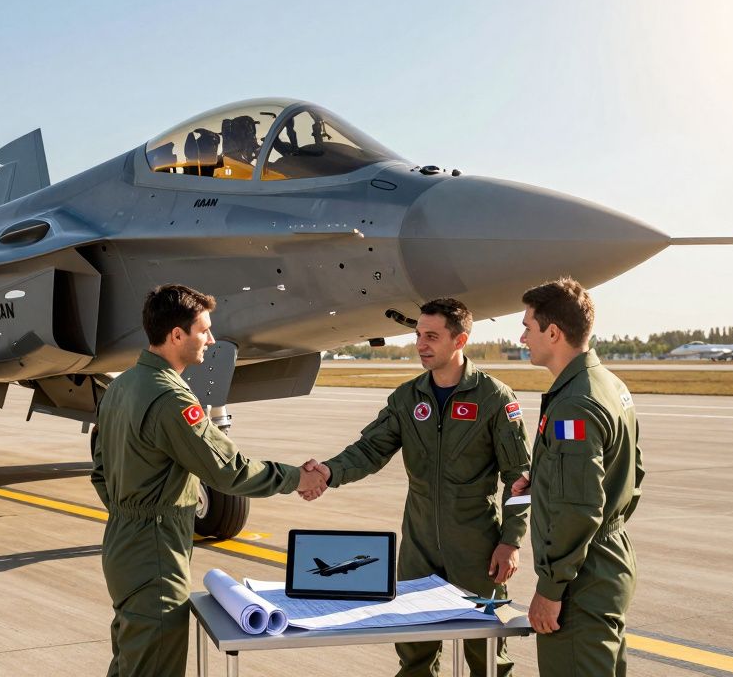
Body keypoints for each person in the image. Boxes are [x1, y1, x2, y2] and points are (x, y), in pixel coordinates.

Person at [91, 284, 327, 677]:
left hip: (123, 546)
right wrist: (298, 479)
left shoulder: (120, 386)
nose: (211, 340)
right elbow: (228, 470)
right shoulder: (170, 398)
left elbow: (100, 469)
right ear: (177, 335)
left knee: (131, 660)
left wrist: (129, 509)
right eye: (204, 330)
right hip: (155, 554)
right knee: (154, 665)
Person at [304, 298, 530, 676]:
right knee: (414, 654)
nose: (420, 345)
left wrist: (511, 541)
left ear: (460, 341)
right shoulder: (407, 398)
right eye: (418, 335)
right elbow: (370, 450)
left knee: (488, 657)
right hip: (418, 548)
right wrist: (328, 471)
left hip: (478, 551)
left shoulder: (495, 398)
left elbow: (520, 479)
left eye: (431, 336)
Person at [515, 277, 643, 676]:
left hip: (580, 579)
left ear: (553, 332)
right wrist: (544, 480)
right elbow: (630, 471)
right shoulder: (608, 384)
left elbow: (582, 507)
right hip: (607, 560)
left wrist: (551, 589)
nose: (522, 337)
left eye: (528, 327)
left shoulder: (575, 403)